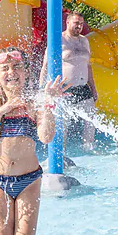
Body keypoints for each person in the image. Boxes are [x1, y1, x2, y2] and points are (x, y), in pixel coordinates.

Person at [0, 47, 68, 235]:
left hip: (28, 181)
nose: (11, 71)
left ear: (26, 72)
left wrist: (48, 104)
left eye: (17, 66)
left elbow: (46, 136)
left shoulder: (35, 103)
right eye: (4, 68)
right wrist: (0, 113)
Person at [39, 12, 98, 150]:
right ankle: (61, 153)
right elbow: (45, 65)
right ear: (68, 23)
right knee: (62, 124)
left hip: (83, 88)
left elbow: (87, 66)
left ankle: (88, 149)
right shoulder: (58, 40)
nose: (79, 26)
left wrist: (93, 88)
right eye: (76, 23)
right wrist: (42, 89)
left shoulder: (85, 41)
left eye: (81, 24)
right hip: (65, 89)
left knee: (91, 121)